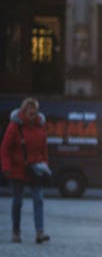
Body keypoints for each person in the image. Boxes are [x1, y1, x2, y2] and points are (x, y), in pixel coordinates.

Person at [1, 97, 51, 244]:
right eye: (30, 113)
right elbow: (5, 148)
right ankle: (16, 232)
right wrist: (6, 167)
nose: (33, 116)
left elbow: (44, 148)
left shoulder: (40, 126)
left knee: (39, 199)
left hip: (35, 170)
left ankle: (39, 233)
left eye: (35, 113)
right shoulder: (15, 126)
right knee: (17, 202)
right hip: (17, 170)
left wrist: (45, 165)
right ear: (24, 112)